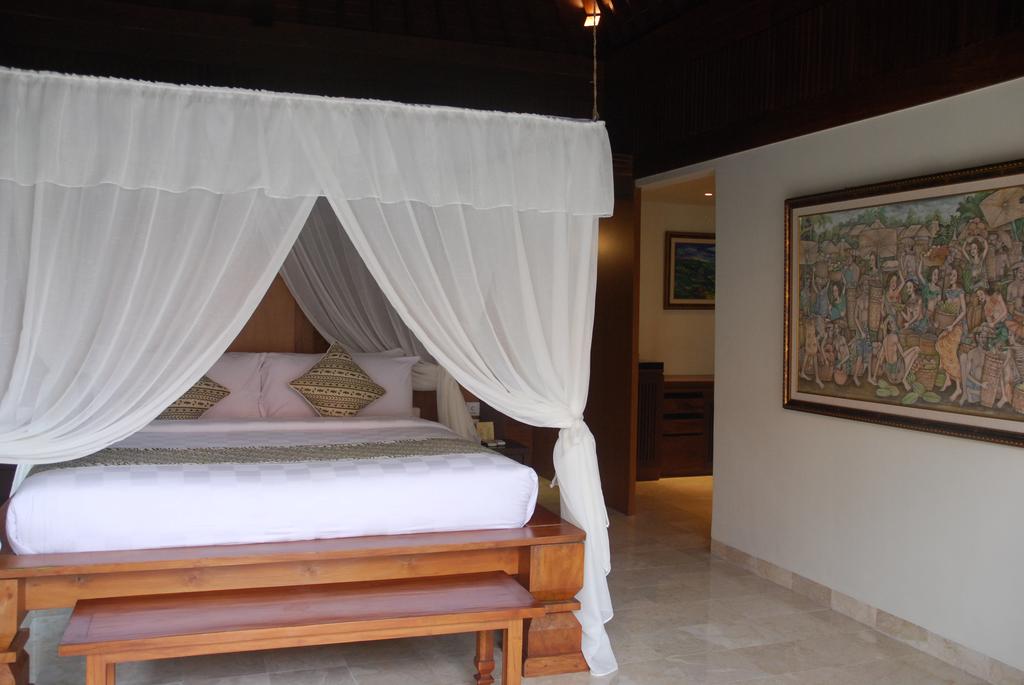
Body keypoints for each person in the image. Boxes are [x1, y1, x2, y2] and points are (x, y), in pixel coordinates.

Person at [937, 270, 967, 401]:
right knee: (939, 342)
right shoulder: (948, 292)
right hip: (949, 325)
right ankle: (948, 379)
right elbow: (946, 310)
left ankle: (958, 387)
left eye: (954, 275)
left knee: (950, 349)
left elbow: (964, 311)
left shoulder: (960, 292)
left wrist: (953, 324)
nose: (951, 277)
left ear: (958, 277)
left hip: (958, 325)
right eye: (951, 274)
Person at [872, 316, 920, 390]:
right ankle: (904, 379)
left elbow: (879, 359)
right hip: (898, 375)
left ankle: (903, 379)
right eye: (892, 322)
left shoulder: (885, 340)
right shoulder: (894, 337)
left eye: (894, 322)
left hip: (890, 377)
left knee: (901, 358)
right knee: (916, 352)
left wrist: (874, 377)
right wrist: (914, 348)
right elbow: (903, 354)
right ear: (889, 327)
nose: (894, 323)